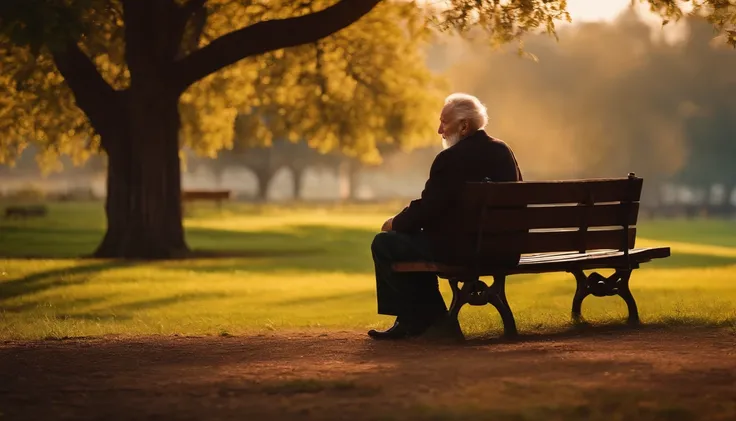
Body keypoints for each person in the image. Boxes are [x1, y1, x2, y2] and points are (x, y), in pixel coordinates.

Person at [368, 93, 523, 340]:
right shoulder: (503, 152)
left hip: (462, 249)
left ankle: (429, 320)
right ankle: (415, 320)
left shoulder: (450, 159)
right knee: (410, 242)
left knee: (385, 243)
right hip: (505, 249)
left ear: (464, 126)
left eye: (444, 122)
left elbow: (429, 208)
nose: (439, 130)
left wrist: (396, 222)